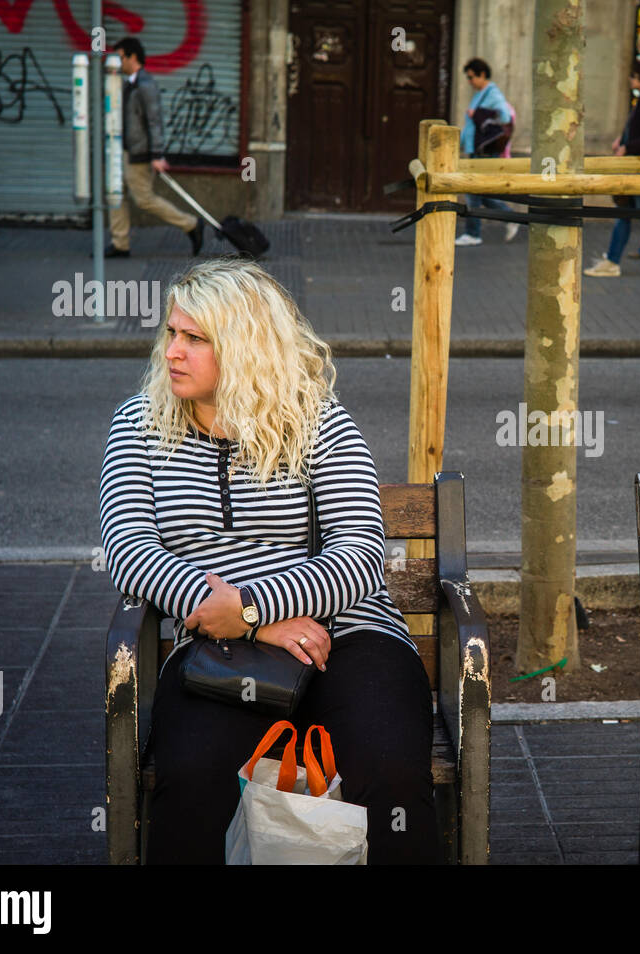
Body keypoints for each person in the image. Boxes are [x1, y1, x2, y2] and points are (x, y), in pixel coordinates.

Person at [98, 259, 439, 864]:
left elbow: (361, 556)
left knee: (390, 779)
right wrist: (252, 626)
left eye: (195, 338)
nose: (173, 351)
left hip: (350, 637)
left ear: (246, 347)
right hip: (219, 651)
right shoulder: (139, 426)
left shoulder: (317, 423)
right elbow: (128, 552)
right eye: (171, 333)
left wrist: (252, 608)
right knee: (193, 777)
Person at [105, 37, 204, 259]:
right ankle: (120, 243)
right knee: (115, 194)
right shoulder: (128, 83)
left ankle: (191, 224)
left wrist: (157, 154)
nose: (117, 62)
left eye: (120, 57)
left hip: (139, 153)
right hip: (123, 151)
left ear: (132, 57)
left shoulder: (145, 85)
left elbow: (154, 121)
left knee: (144, 199)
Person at [585, 62, 640, 277]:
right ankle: (612, 261)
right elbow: (638, 130)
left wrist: (628, 146)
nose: (631, 79)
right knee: (626, 213)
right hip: (635, 165)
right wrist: (621, 140)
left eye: (635, 76)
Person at [455, 57, 519, 247]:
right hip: (477, 151)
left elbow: (504, 116)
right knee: (481, 195)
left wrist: (479, 115)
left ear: (482, 75)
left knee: (473, 195)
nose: (469, 81)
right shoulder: (482, 93)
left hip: (484, 152)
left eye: (472, 77)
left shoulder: (492, 93)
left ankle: (473, 233)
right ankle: (510, 217)